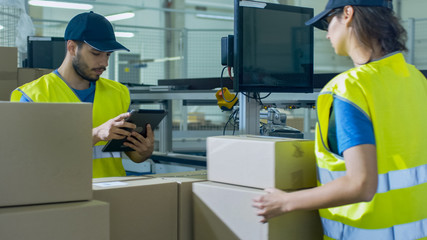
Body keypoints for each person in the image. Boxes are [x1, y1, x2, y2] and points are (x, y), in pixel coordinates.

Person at [253, 0, 427, 239]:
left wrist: (284, 202)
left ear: (347, 14)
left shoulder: (350, 88)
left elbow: (360, 185)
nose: (327, 35)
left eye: (327, 22)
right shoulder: (417, 80)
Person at [10, 11, 154, 178]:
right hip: (59, 197)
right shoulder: (33, 96)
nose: (104, 63)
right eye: (96, 53)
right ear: (72, 48)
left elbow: (132, 154)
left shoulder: (119, 93)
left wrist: (144, 151)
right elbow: (23, 158)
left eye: (108, 55)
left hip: (113, 195)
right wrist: (95, 134)